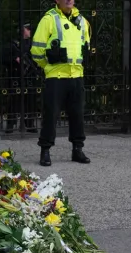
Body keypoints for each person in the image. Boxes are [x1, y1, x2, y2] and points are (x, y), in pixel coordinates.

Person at [30, 0, 91, 166]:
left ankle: (77, 150)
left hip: (76, 75)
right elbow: (36, 50)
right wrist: (48, 67)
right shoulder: (49, 19)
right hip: (56, 77)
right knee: (51, 115)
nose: (69, 0)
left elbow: (86, 47)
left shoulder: (83, 21)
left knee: (77, 114)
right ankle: (45, 150)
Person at [2, 23, 39, 133]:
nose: (30, 32)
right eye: (28, 29)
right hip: (16, 76)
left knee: (30, 101)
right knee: (14, 101)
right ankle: (11, 124)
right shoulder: (13, 44)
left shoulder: (34, 44)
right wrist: (15, 59)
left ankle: (30, 124)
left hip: (29, 76)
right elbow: (4, 59)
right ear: (23, 30)